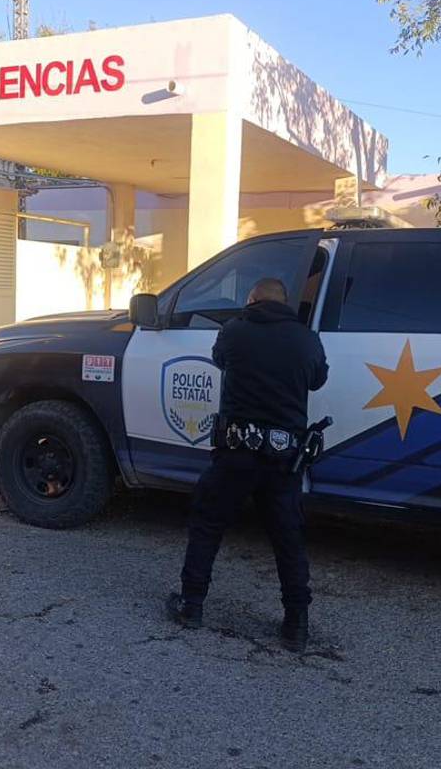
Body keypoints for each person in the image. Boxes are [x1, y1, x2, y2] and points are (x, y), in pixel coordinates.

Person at [166, 277, 329, 652]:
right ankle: (297, 626)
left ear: (253, 300)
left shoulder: (235, 331)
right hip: (284, 459)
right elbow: (318, 380)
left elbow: (219, 360)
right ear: (285, 303)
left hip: (235, 454)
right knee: (288, 538)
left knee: (207, 524)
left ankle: (191, 606)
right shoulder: (306, 338)